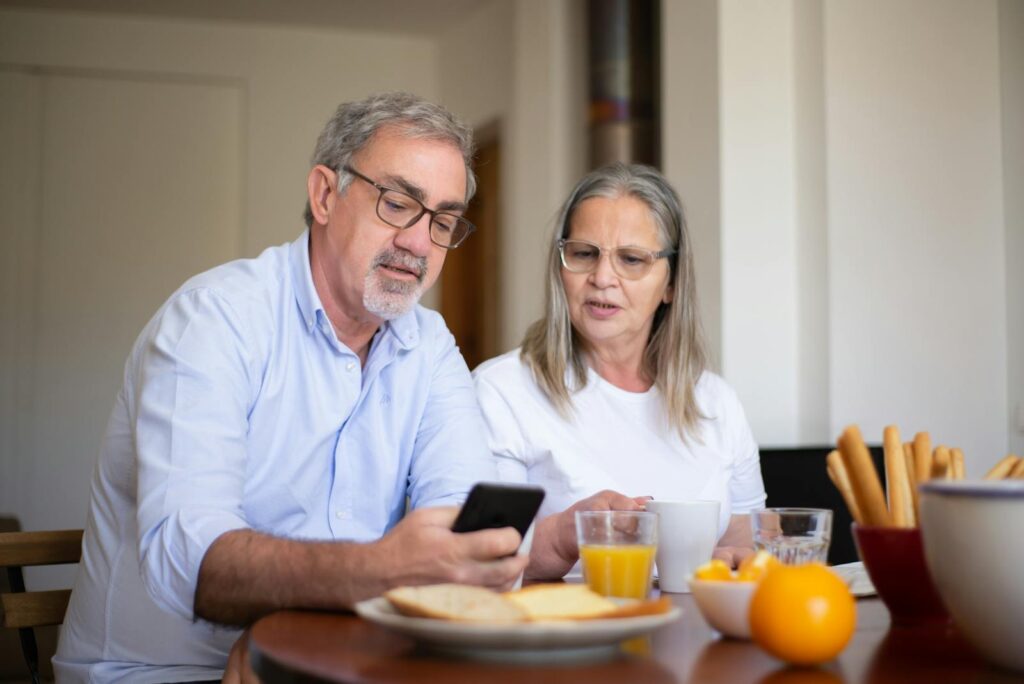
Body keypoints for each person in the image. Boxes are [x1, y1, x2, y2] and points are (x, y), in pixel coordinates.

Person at [54, 92, 528, 682]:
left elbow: (455, 529)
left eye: (443, 221)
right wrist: (381, 570)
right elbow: (189, 562)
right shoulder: (215, 320)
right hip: (162, 673)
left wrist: (473, 558)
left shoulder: (428, 344)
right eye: (399, 203)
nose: (419, 242)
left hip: (334, 662)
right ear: (325, 195)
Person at [473, 163, 766, 581]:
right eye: (583, 254)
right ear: (561, 266)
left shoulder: (717, 403)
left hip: (693, 639)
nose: (602, 278)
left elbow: (744, 541)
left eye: (631, 259)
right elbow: (482, 564)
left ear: (671, 284)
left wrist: (733, 559)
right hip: (566, 637)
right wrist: (566, 534)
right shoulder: (501, 390)